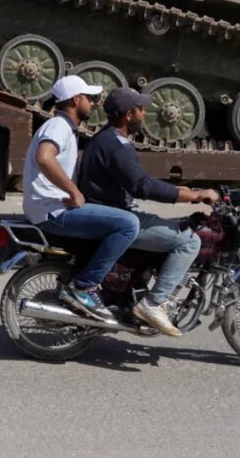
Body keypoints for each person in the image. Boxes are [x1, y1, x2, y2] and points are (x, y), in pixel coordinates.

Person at [80, 87, 220, 337]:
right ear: (128, 115)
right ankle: (153, 304)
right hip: (118, 218)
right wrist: (194, 196)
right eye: (141, 109)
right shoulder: (115, 146)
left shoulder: (109, 139)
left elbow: (141, 180)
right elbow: (143, 186)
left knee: (171, 229)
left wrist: (185, 189)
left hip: (113, 212)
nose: (145, 114)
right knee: (189, 241)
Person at [21, 75, 141, 322]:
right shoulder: (58, 126)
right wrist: (73, 191)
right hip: (52, 211)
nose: (95, 103)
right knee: (128, 224)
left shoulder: (66, 128)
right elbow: (45, 158)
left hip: (51, 207)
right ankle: (84, 287)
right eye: (90, 98)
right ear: (76, 100)